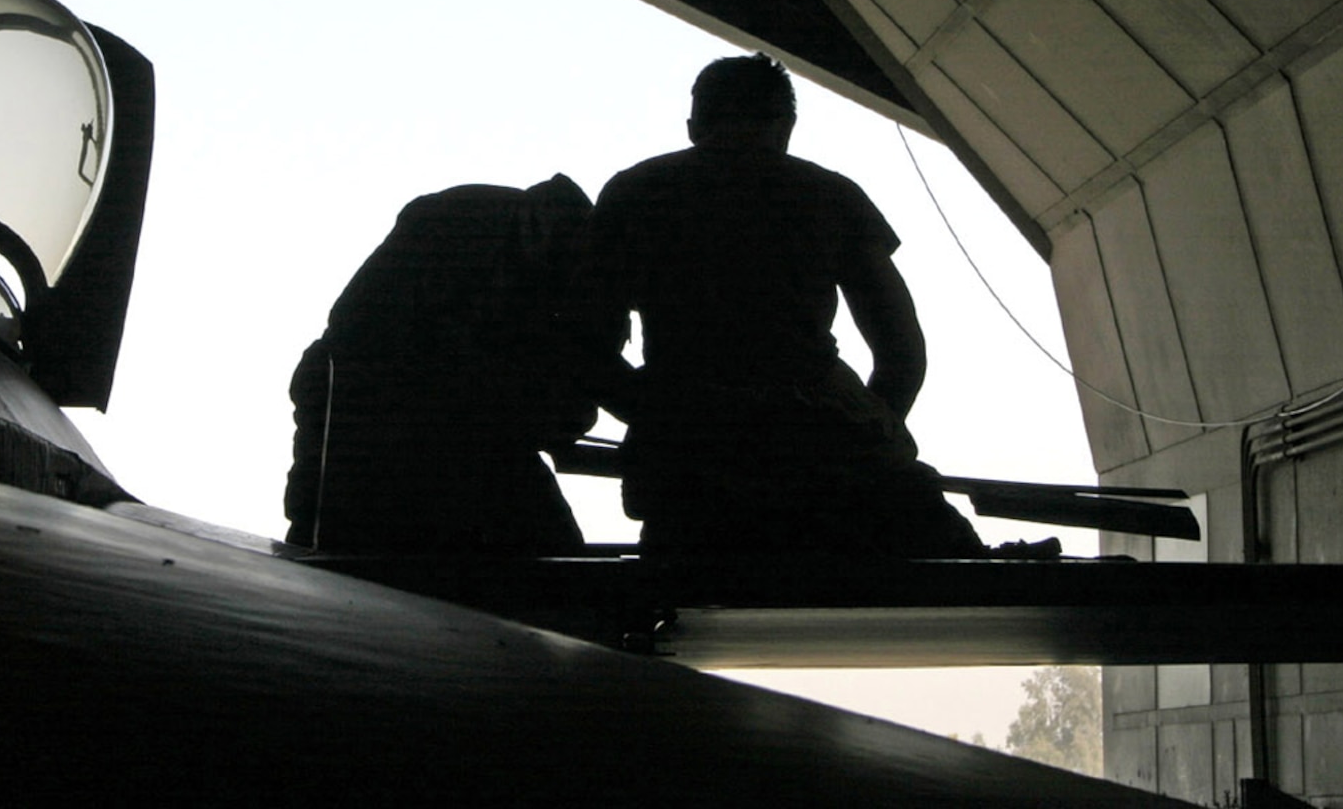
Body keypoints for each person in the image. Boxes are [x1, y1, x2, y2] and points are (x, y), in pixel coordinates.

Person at [577, 54, 1020, 559]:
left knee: (680, 610)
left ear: (695, 124)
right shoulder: (831, 195)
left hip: (691, 477)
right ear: (786, 123)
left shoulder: (633, 194)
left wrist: (672, 419)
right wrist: (865, 438)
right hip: (828, 448)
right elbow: (901, 349)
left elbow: (588, 346)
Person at [283, 175, 598, 555]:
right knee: (341, 552)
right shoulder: (473, 232)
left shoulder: (520, 252)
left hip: (406, 417)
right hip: (367, 413)